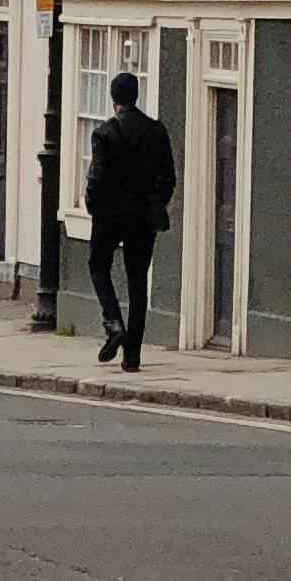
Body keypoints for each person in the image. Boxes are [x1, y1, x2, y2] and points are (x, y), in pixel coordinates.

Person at [83, 66, 177, 372]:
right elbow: (169, 178)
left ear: (113, 99)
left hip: (110, 214)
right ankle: (132, 355)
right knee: (138, 282)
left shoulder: (105, 133)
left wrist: (91, 204)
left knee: (98, 265)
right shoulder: (156, 130)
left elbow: (96, 177)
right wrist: (156, 201)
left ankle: (113, 322)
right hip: (142, 218)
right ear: (136, 96)